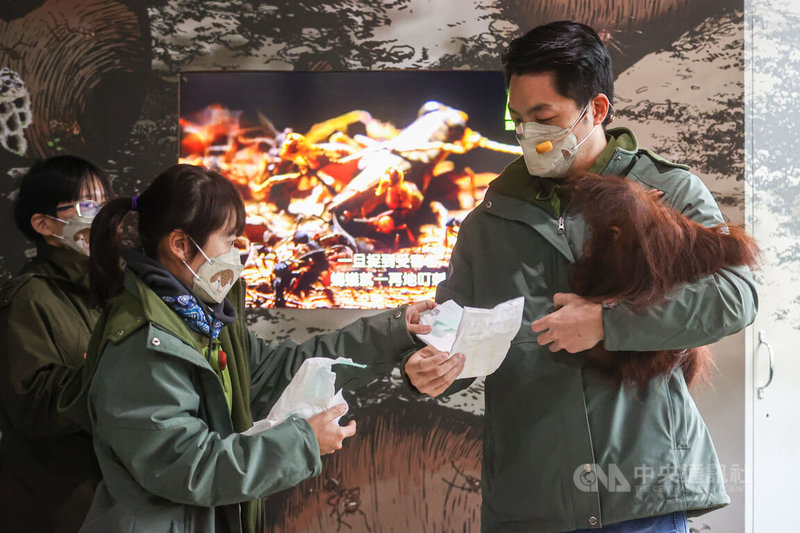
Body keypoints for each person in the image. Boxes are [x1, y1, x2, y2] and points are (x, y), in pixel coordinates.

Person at [403, 21, 758, 533]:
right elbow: (452, 324)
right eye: (518, 119)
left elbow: (734, 296)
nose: (528, 133)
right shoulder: (490, 219)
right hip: (531, 497)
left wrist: (607, 322)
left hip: (639, 492)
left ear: (595, 110)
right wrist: (426, 368)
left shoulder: (669, 192)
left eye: (543, 117)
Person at [71, 163, 432, 533]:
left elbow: (276, 371)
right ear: (180, 245)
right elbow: (187, 467)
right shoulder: (142, 343)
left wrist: (392, 331)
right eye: (228, 240)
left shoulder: (204, 318)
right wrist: (301, 444)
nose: (237, 252)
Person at [0, 155, 112, 532]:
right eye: (86, 204)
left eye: (103, 203)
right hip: (57, 508)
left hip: (105, 501)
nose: (101, 215)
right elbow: (34, 406)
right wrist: (118, 372)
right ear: (44, 224)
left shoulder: (104, 292)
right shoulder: (28, 298)